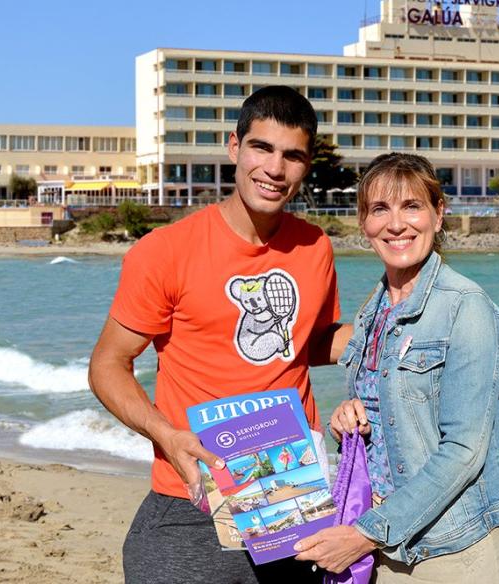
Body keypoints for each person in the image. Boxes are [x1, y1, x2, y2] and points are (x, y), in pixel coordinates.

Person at [88, 85, 349, 584]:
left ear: (306, 165)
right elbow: (107, 365)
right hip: (195, 497)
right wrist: (167, 436)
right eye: (262, 148)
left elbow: (306, 342)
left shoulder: (314, 246)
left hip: (291, 493)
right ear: (235, 147)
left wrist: (392, 335)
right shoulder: (165, 250)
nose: (275, 169)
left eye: (292, 155)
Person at [294, 153, 499, 582]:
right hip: (387, 540)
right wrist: (349, 419)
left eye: (412, 206)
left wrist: (365, 535)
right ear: (364, 224)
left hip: (452, 546)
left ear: (438, 214)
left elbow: (464, 451)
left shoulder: (465, 308)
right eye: (380, 209)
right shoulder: (375, 308)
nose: (396, 224)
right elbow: (393, 414)